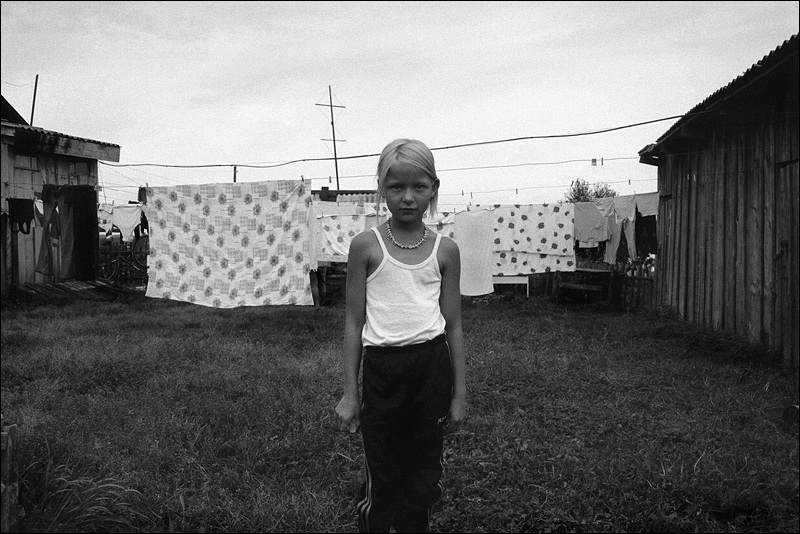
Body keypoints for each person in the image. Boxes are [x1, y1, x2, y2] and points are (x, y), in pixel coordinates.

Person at [335, 138, 467, 533]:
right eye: (396, 188)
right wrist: (349, 392)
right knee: (385, 470)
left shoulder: (446, 250)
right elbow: (352, 323)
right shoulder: (365, 247)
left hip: (431, 370)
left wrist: (459, 394)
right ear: (381, 189)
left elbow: (455, 324)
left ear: (434, 189)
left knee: (424, 471)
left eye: (419, 188)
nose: (408, 198)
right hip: (383, 373)